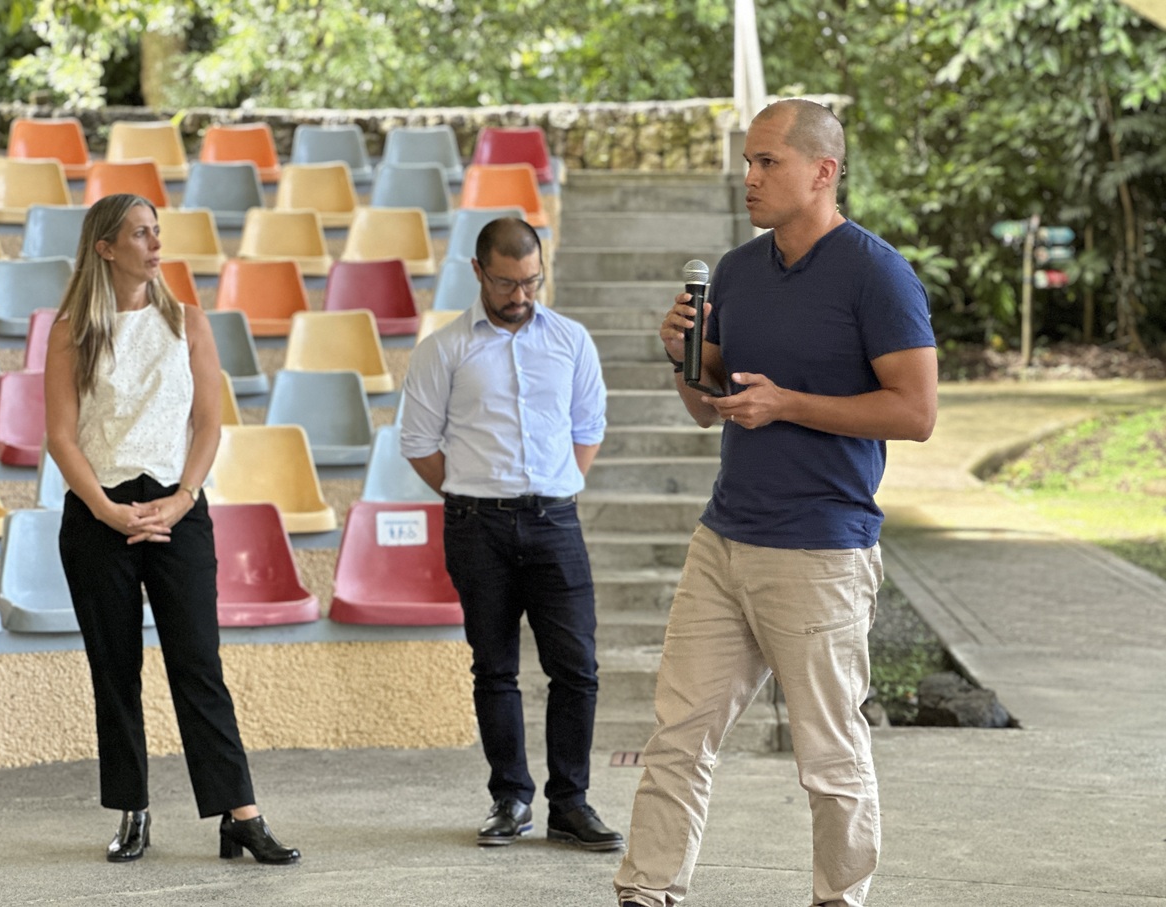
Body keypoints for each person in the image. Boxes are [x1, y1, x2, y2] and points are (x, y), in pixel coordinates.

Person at [614, 99, 938, 907]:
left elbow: (915, 413)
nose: (748, 177)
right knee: (676, 739)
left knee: (829, 755)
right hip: (724, 539)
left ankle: (838, 898)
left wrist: (788, 403)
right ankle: (646, 890)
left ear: (821, 172)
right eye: (748, 162)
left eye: (767, 162)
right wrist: (679, 357)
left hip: (820, 551)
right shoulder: (733, 271)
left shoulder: (876, 273)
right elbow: (706, 406)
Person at [44, 193, 300, 866]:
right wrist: (105, 509)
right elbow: (61, 436)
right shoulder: (71, 327)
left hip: (176, 510)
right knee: (115, 667)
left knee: (198, 662)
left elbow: (210, 424)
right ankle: (133, 809)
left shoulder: (188, 321)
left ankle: (238, 813)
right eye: (140, 234)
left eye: (157, 231)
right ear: (105, 247)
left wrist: (183, 497)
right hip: (99, 514)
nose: (155, 244)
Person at [400, 217, 623, 851]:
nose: (521, 295)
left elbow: (588, 427)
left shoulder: (573, 341)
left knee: (576, 669)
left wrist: (552, 490)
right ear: (478, 273)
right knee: (494, 669)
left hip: (556, 520)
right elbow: (417, 443)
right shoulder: (444, 348)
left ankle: (570, 803)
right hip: (477, 526)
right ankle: (510, 799)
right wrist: (476, 493)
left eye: (532, 281)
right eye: (507, 283)